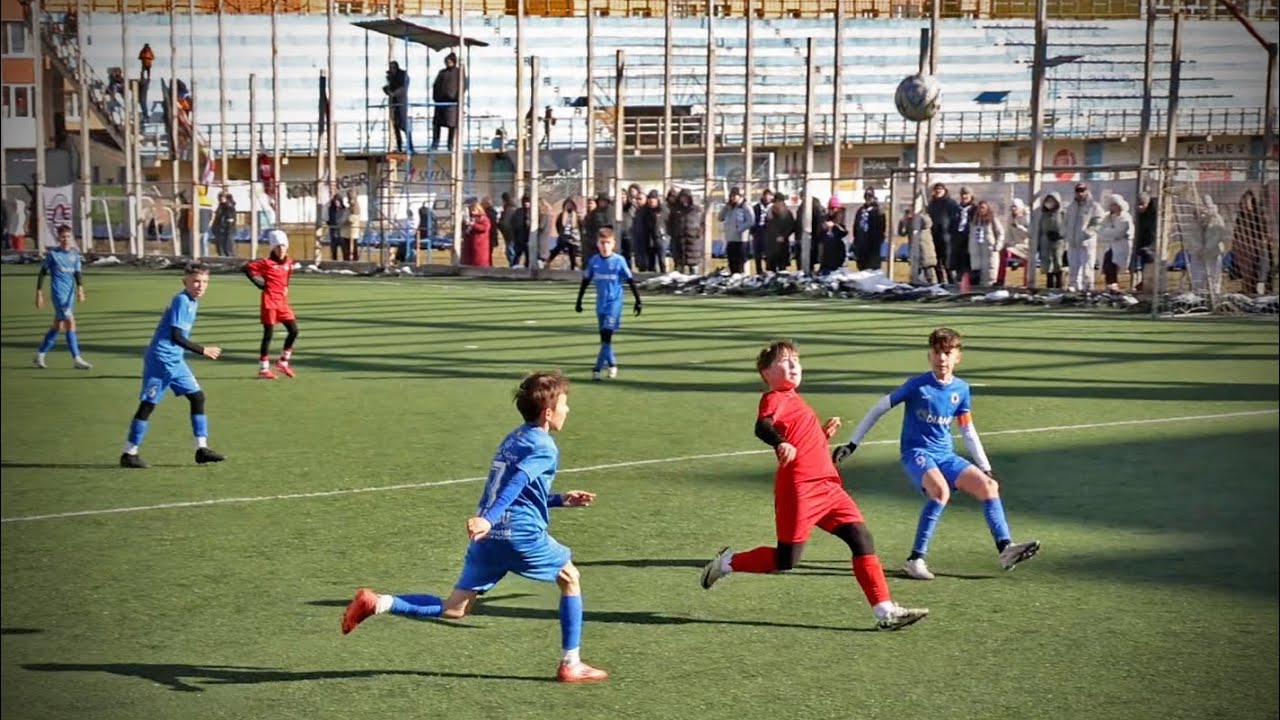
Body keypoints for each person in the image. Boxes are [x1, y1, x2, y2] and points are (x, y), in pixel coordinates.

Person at [341, 371, 609, 683]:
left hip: (488, 539)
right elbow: (518, 482)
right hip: (516, 533)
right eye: (564, 403)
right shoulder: (544, 445)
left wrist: (559, 499)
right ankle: (571, 663)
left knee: (455, 608)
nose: (568, 410)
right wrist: (489, 518)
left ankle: (378, 603)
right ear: (548, 413)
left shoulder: (515, 437)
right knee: (570, 578)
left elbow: (514, 490)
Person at [698, 341, 929, 631]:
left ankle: (885, 612)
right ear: (765, 373)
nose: (794, 366)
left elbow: (802, 440)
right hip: (799, 487)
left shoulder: (796, 400)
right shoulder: (775, 397)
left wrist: (822, 434)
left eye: (796, 361)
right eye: (785, 362)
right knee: (786, 559)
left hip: (829, 487)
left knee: (861, 538)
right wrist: (779, 442)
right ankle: (726, 563)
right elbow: (763, 426)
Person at [832, 328, 1041, 580]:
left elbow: (967, 430)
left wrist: (985, 467)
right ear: (929, 355)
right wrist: (853, 444)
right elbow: (878, 408)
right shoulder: (916, 386)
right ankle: (915, 559)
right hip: (916, 453)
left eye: (947, 353)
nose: (942, 358)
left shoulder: (961, 389)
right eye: (937, 352)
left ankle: (1005, 548)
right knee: (940, 491)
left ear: (957, 357)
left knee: (989, 487)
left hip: (946, 455)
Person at [119, 263, 225, 469]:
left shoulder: (192, 302)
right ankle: (129, 453)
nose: (200, 286)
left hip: (175, 359)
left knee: (197, 397)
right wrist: (203, 350)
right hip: (161, 359)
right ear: (184, 281)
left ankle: (202, 449)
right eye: (196, 281)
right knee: (148, 405)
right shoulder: (181, 300)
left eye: (204, 282)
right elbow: (176, 336)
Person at [575, 228, 642, 382]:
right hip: (600, 305)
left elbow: (630, 280)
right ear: (597, 244)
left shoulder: (619, 261)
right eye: (602, 242)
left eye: (608, 243)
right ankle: (612, 364)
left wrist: (638, 301)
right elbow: (585, 281)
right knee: (605, 339)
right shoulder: (594, 261)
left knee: (607, 336)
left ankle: (597, 369)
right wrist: (579, 301)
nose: (605, 246)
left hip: (614, 304)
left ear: (613, 244)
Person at [33, 224, 92, 370]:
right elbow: (42, 273)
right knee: (70, 323)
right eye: (63, 236)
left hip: (69, 296)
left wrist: (80, 289)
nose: (66, 239)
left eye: (68, 236)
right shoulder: (53, 255)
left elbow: (77, 274)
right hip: (59, 295)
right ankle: (77, 358)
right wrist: (39, 293)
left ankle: (40, 354)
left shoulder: (74, 255)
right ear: (58, 238)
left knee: (57, 326)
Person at [244, 230, 299, 380]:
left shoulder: (289, 263)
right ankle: (264, 368)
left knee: (294, 331)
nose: (281, 250)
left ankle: (283, 362)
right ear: (273, 248)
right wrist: (259, 283)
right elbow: (247, 268)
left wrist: (286, 287)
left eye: (283, 246)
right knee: (268, 334)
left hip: (282, 302)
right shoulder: (267, 263)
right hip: (269, 302)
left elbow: (286, 277)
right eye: (278, 247)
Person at [1098, 194, 1133, 292]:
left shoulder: (1125, 217)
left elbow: (1120, 232)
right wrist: (1110, 233)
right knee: (1107, 265)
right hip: (1109, 245)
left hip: (1121, 246)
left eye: (1115, 205)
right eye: (1112, 205)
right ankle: (1110, 285)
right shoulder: (1106, 217)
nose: (1113, 207)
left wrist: (1109, 232)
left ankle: (1114, 285)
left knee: (1114, 264)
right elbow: (1100, 231)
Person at [431, 53, 460, 151]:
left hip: (452, 103)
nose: (448, 63)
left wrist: (456, 97)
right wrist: (436, 97)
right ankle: (435, 143)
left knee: (451, 125)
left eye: (450, 61)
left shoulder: (458, 72)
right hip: (440, 102)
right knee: (437, 124)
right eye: (447, 62)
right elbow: (435, 85)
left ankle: (450, 144)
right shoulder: (442, 72)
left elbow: (463, 86)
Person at [384, 61, 412, 153]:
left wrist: (393, 93)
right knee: (395, 125)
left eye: (393, 68)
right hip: (394, 103)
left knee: (403, 124)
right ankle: (399, 146)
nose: (391, 70)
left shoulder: (403, 75)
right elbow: (389, 88)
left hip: (401, 102)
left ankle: (410, 145)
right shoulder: (391, 77)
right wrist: (387, 89)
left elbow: (403, 88)